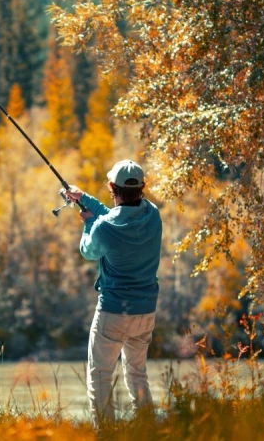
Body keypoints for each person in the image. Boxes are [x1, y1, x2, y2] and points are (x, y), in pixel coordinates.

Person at [64, 159, 162, 423]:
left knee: (100, 376)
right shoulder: (152, 214)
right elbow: (116, 217)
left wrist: (87, 222)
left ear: (111, 186)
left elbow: (88, 250)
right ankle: (147, 430)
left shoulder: (104, 228)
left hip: (114, 311)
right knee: (137, 374)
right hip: (145, 311)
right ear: (142, 187)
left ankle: (106, 434)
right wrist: (84, 198)